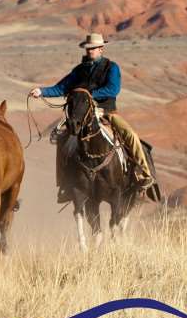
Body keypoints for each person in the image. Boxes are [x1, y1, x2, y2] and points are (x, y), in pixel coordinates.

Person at [28, 33, 157, 203]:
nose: (90, 51)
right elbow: (62, 87)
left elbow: (113, 89)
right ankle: (66, 184)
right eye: (88, 48)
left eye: (93, 48)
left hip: (107, 112)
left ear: (101, 49)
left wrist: (88, 95)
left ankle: (144, 175)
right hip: (83, 115)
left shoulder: (111, 68)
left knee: (130, 135)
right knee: (63, 139)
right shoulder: (79, 70)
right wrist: (42, 91)